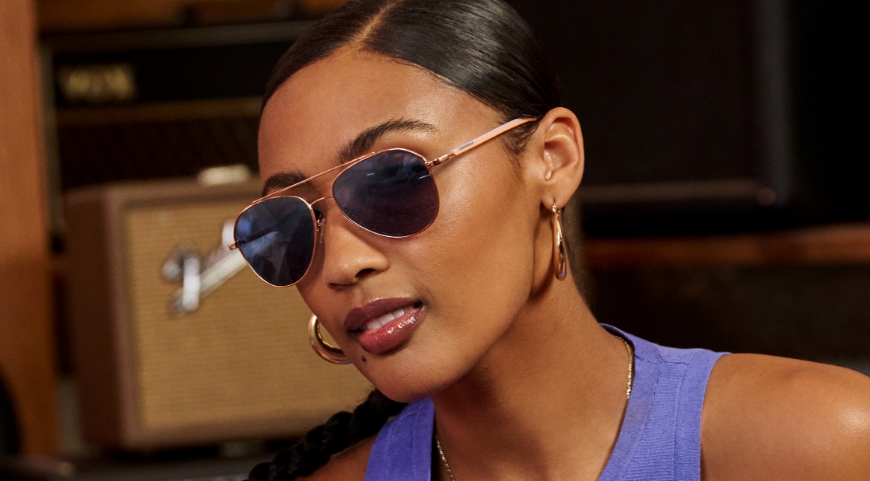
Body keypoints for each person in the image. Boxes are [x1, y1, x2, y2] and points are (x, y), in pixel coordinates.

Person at [232, 0, 870, 479]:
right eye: (287, 227)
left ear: (553, 160)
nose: (341, 263)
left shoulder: (820, 443)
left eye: (394, 182)